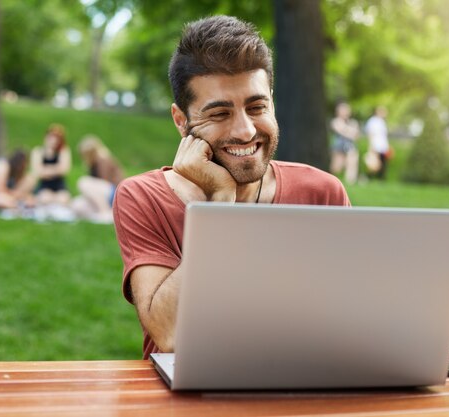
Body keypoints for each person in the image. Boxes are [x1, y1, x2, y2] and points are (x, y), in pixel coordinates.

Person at [112, 15, 351, 359]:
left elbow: (348, 321)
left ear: (272, 101)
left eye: (257, 107)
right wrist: (219, 205)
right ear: (182, 122)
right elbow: (170, 332)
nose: (245, 131)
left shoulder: (322, 193)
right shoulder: (143, 196)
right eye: (220, 114)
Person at [72, 135, 125, 223]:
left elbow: (103, 183)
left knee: (83, 182)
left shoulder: (104, 160)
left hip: (114, 193)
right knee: (77, 205)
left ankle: (105, 212)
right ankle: (96, 216)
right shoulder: (93, 163)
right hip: (104, 193)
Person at [30, 124, 72, 206]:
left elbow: (64, 170)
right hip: (44, 186)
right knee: (45, 199)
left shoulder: (63, 151)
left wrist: (45, 169)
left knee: (62, 200)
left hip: (60, 185)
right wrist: (56, 169)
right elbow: (37, 172)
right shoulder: (38, 151)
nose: (53, 140)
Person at [329, 102, 360, 185]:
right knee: (336, 168)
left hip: (350, 146)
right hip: (338, 147)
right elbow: (341, 130)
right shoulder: (335, 121)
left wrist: (347, 130)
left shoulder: (353, 122)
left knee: (352, 164)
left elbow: (356, 135)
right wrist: (350, 131)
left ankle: (350, 182)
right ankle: (333, 183)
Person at [364, 106, 390, 180]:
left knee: (383, 162)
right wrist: (371, 145)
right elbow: (370, 133)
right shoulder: (373, 121)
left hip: (382, 146)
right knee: (374, 162)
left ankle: (381, 177)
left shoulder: (382, 121)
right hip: (376, 144)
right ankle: (369, 177)